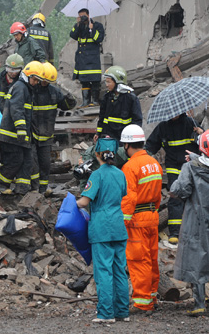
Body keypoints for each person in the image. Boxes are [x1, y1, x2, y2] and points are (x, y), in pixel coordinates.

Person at [170, 128, 209, 316]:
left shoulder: (190, 167)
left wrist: (193, 162)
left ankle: (199, 304)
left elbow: (178, 190)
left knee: (196, 258)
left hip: (197, 221)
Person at [76, 137, 130, 323]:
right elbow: (122, 194)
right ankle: (122, 312)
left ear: (97, 154)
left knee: (104, 271)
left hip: (101, 228)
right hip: (118, 225)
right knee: (119, 270)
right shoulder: (120, 173)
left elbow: (84, 202)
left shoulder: (97, 175)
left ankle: (106, 314)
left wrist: (71, 205)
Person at [120, 124, 162, 314]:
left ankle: (143, 303)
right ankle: (151, 296)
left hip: (137, 219)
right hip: (152, 217)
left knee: (139, 261)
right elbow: (158, 194)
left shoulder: (130, 166)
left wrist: (123, 222)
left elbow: (129, 198)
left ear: (127, 145)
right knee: (152, 258)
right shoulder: (154, 163)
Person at [145, 114, 203, 244]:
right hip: (173, 167)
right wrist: (143, 156)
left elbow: (205, 143)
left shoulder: (191, 123)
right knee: (175, 197)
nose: (173, 115)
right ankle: (175, 232)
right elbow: (151, 145)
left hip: (190, 167)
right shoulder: (163, 126)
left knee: (193, 197)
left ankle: (195, 231)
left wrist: (201, 133)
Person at [0, 61, 44, 195]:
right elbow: (17, 109)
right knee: (15, 161)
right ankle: (1, 185)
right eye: (35, 79)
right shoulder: (20, 88)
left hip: (20, 135)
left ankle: (21, 190)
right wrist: (21, 128)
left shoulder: (26, 88)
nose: (36, 83)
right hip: (12, 135)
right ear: (28, 76)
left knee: (27, 161)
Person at [30, 62, 76, 195]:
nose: (45, 83)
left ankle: (43, 189)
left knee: (45, 164)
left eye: (48, 81)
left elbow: (66, 105)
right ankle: (34, 189)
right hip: (32, 134)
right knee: (33, 164)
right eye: (44, 81)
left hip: (46, 135)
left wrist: (70, 99)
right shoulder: (31, 90)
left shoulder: (54, 91)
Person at [95, 65, 142, 141]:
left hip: (124, 139)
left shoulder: (131, 98)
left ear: (117, 82)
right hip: (108, 137)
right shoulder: (107, 97)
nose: (106, 85)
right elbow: (102, 117)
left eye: (108, 82)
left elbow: (137, 120)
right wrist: (98, 133)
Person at [70, 8, 105, 107]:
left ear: (88, 15)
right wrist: (77, 25)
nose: (82, 18)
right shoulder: (79, 26)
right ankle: (85, 101)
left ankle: (94, 101)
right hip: (82, 58)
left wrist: (92, 29)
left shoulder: (97, 26)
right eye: (80, 16)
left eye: (84, 16)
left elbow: (98, 39)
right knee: (84, 80)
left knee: (95, 80)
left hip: (93, 58)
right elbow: (72, 35)